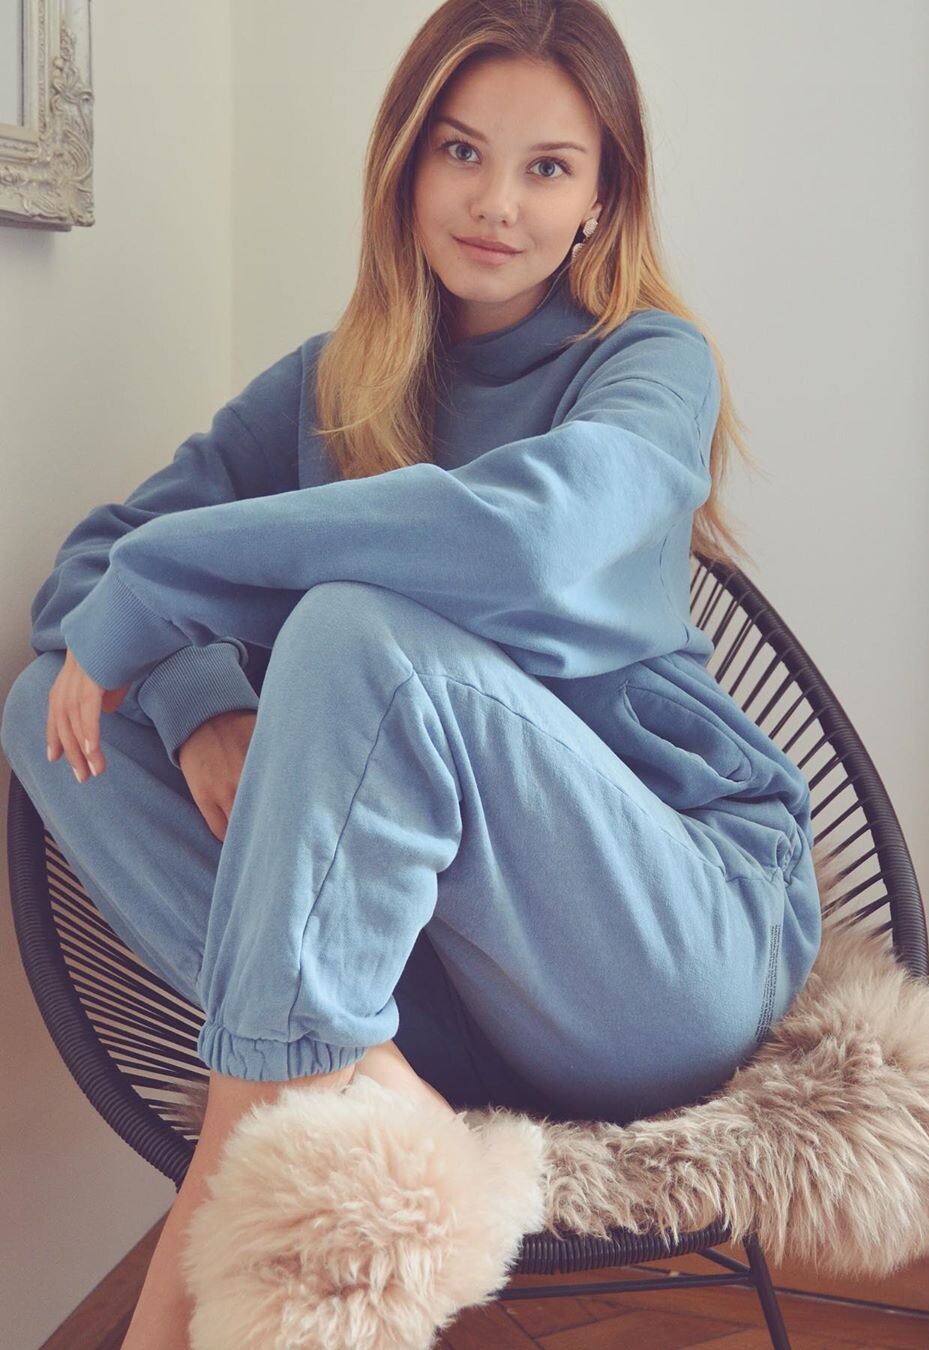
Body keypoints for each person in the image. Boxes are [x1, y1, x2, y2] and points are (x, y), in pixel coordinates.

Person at [1, 1, 822, 1344]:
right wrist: (200, 701)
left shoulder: (648, 366)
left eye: (548, 166)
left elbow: (529, 538)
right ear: (406, 162)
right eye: (461, 150)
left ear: (601, 200)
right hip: (442, 985)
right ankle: (371, 1073)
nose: (497, 202)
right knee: (48, 706)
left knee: (353, 634)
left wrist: (169, 587)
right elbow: (94, 569)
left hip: (669, 943)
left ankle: (207, 1239)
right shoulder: (334, 382)